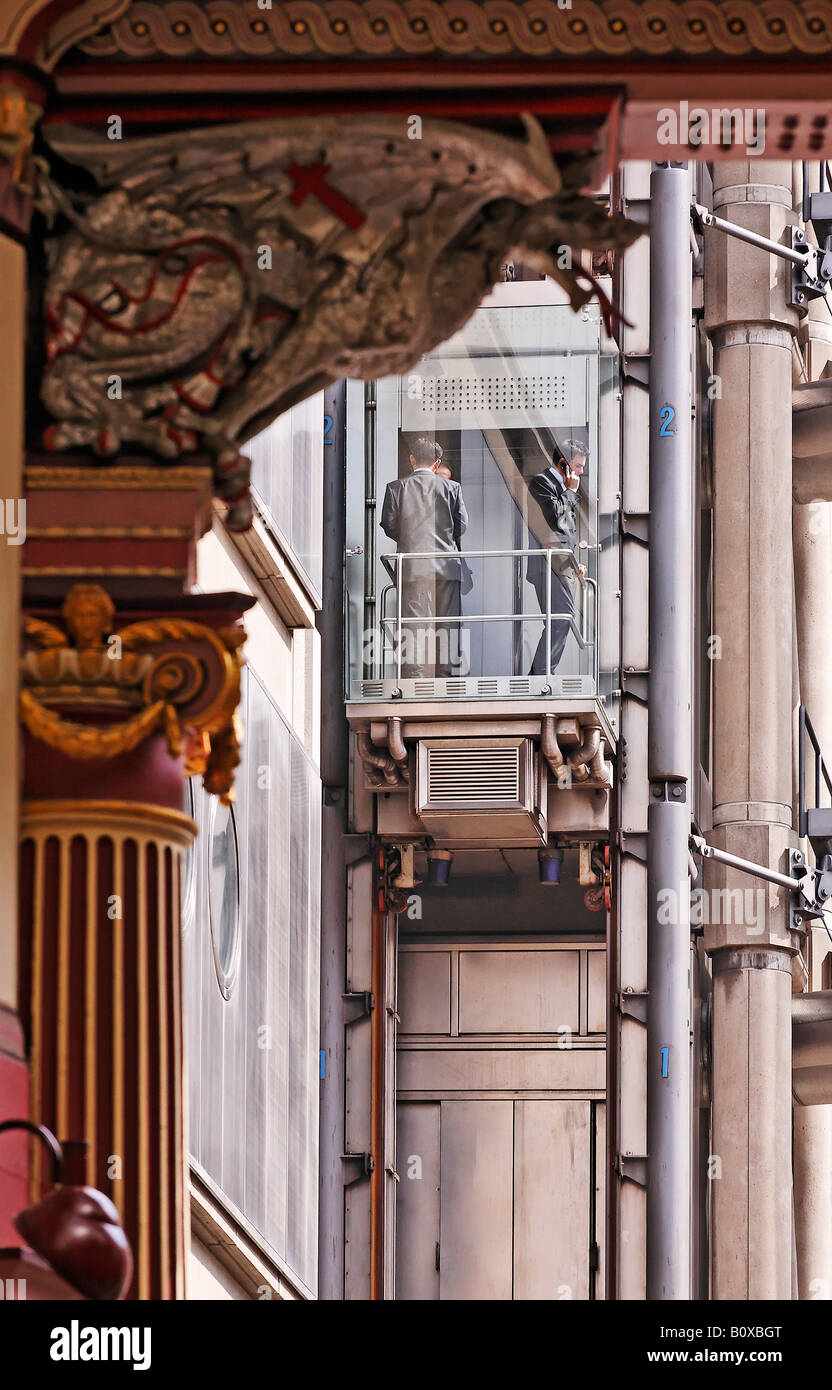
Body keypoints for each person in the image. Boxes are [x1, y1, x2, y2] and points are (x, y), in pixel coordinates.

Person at [381, 438, 468, 678]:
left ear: (411, 459)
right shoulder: (452, 488)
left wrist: (409, 538)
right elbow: (461, 526)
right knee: (447, 623)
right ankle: (447, 677)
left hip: (412, 567)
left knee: (414, 624)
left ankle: (414, 676)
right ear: (437, 462)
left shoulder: (395, 488)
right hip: (446, 567)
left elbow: (389, 525)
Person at [526, 438, 588, 677]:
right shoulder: (541, 483)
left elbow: (564, 536)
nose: (582, 471)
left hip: (561, 565)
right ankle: (540, 675)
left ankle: (541, 673)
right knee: (561, 619)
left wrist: (574, 563)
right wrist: (571, 491)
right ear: (564, 464)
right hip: (547, 565)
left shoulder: (562, 490)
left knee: (560, 619)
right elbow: (555, 519)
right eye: (579, 466)